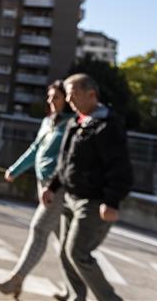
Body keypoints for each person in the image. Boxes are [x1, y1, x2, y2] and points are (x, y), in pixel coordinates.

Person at [42, 73, 133, 301]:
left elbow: (120, 168)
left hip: (93, 202)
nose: (69, 100)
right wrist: (52, 186)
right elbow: (65, 161)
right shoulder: (76, 122)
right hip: (70, 197)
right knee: (65, 251)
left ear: (91, 95)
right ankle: (76, 296)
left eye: (73, 94)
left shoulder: (108, 126)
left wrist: (111, 201)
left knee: (78, 252)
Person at [0, 81, 73, 299]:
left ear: (67, 99)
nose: (51, 101)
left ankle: (15, 280)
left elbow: (68, 159)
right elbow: (35, 149)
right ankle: (72, 290)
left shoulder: (71, 124)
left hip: (58, 187)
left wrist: (53, 185)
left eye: (56, 97)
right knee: (63, 243)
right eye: (49, 97)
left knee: (38, 230)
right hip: (43, 184)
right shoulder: (47, 122)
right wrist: (15, 169)